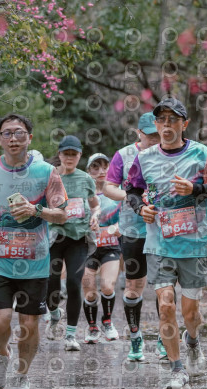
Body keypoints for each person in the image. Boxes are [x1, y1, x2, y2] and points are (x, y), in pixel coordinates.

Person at [0, 113, 68, 389]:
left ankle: (22, 375)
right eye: (7, 133)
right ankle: (1, 355)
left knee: (29, 324)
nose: (13, 138)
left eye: (19, 133)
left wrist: (37, 210)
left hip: (34, 261)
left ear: (29, 138)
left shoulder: (47, 172)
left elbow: (62, 215)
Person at [125, 98, 207, 389]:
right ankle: (177, 370)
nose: (166, 125)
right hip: (159, 244)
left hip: (194, 245)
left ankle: (192, 341)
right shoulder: (144, 158)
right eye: (161, 120)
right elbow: (132, 191)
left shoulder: (201, 153)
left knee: (191, 314)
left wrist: (195, 188)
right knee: (166, 305)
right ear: (156, 125)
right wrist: (140, 208)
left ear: (184, 124)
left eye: (172, 119)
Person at [105, 112, 165, 362]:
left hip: (163, 229)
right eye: (149, 135)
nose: (154, 140)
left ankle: (165, 337)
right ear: (138, 133)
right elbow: (108, 187)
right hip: (132, 230)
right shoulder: (124, 155)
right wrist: (132, 196)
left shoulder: (170, 153)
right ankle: (135, 336)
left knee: (164, 286)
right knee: (133, 286)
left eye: (157, 135)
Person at [45, 135, 100, 351]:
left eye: (73, 154)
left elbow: (95, 204)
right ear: (59, 155)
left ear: (79, 156)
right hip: (55, 237)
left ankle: (70, 335)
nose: (69, 158)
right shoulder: (50, 177)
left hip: (78, 237)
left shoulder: (85, 179)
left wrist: (95, 216)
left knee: (74, 284)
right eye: (65, 154)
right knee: (51, 280)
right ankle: (54, 313)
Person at [82, 153, 122, 343]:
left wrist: (120, 228)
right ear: (88, 171)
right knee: (89, 291)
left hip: (111, 246)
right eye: (95, 167)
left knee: (107, 286)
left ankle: (107, 321)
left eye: (105, 167)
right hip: (87, 247)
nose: (101, 171)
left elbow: (129, 217)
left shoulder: (117, 192)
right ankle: (92, 327)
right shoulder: (83, 194)